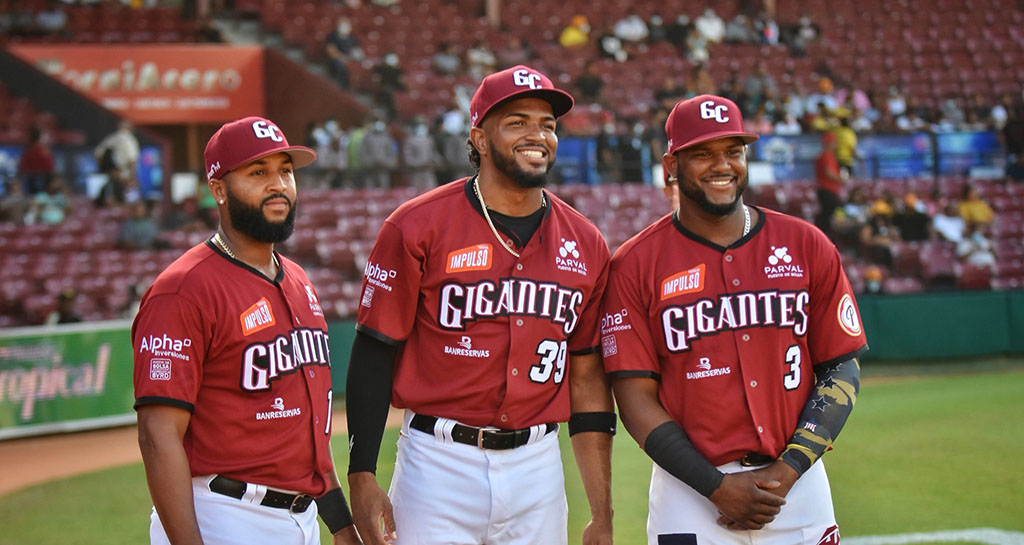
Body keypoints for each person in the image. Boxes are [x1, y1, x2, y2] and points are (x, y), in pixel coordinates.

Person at [345, 65, 615, 545]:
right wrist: (362, 471)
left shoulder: (586, 241)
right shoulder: (416, 225)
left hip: (539, 465)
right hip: (438, 461)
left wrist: (601, 510)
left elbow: (587, 375)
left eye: (547, 124)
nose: (537, 135)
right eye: (517, 121)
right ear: (481, 139)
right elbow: (374, 349)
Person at [601, 95, 867, 544]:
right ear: (671, 164)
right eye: (702, 153)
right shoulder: (633, 264)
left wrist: (790, 467)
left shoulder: (806, 244)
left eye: (733, 151)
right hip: (689, 490)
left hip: (796, 484)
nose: (721, 165)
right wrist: (715, 486)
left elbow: (841, 365)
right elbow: (632, 395)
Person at [131, 116, 360, 545]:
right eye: (259, 172)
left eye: (286, 171)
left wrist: (343, 528)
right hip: (224, 514)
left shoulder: (298, 280)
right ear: (218, 188)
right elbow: (158, 434)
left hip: (301, 517)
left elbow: (311, 429)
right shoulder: (181, 291)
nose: (278, 184)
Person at [814, 132, 844, 238]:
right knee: (828, 216)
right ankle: (824, 238)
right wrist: (841, 180)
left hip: (827, 189)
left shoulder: (826, 156)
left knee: (827, 215)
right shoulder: (826, 156)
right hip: (827, 189)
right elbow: (829, 172)